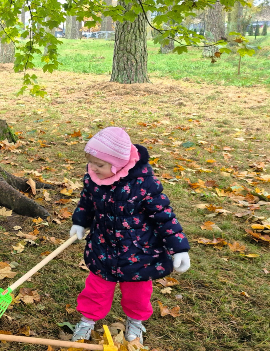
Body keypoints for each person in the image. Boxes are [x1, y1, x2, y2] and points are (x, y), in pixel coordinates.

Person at [68, 127, 191, 346]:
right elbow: (87, 203)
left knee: (138, 293)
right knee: (96, 289)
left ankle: (135, 321)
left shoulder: (144, 184)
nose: (93, 169)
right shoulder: (93, 178)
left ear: (118, 164)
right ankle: (88, 319)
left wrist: (178, 248)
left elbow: (164, 216)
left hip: (139, 253)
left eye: (100, 165)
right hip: (103, 247)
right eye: (91, 162)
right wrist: (80, 222)